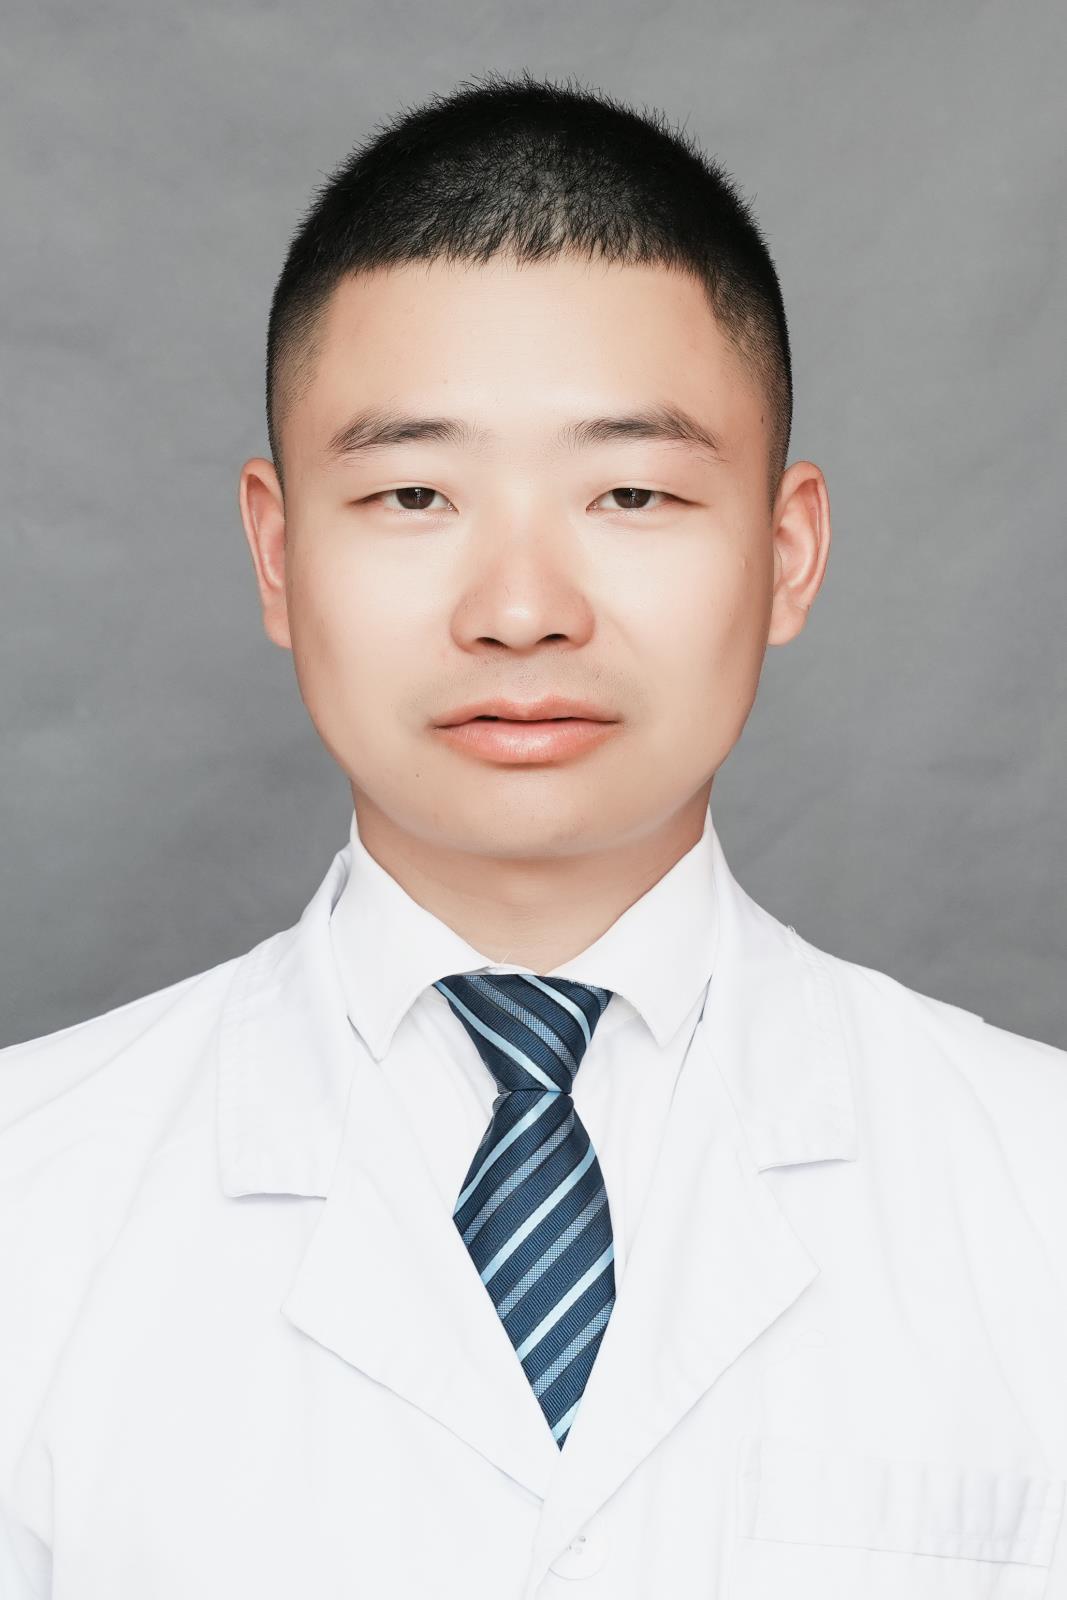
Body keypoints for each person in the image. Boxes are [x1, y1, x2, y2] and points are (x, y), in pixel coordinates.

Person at [2, 70, 1065, 1600]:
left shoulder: (1039, 1193)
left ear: (786, 552)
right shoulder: (28, 1202)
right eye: (413, 493)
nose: (520, 609)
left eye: (629, 492)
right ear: (279, 555)